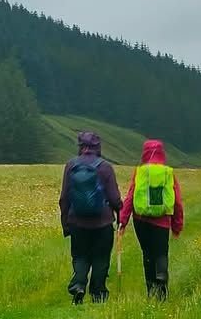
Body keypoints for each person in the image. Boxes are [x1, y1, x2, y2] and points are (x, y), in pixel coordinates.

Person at [59, 130, 123, 304]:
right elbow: (114, 197)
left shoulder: (71, 165)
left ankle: (79, 285)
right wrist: (120, 213)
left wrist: (65, 222)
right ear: (98, 147)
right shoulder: (105, 167)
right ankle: (98, 293)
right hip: (102, 223)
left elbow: (64, 197)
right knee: (101, 258)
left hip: (77, 222)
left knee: (80, 257)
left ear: (80, 146)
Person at [118, 139, 184, 300]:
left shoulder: (140, 172)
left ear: (144, 153)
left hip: (141, 220)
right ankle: (161, 279)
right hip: (161, 221)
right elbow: (177, 201)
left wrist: (123, 220)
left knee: (147, 253)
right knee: (161, 252)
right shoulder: (168, 173)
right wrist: (177, 225)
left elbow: (130, 196)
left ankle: (151, 290)